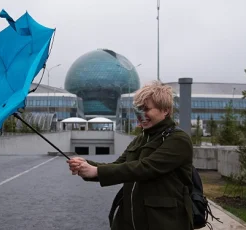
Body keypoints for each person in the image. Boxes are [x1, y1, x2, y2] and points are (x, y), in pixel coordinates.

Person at [67, 81, 194, 230]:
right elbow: (118, 165)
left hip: (163, 223)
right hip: (130, 222)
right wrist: (86, 165)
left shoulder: (178, 140)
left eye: (146, 109)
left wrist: (95, 170)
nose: (141, 115)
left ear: (165, 110)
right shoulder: (140, 139)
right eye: (138, 109)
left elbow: (145, 168)